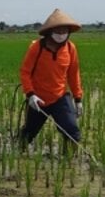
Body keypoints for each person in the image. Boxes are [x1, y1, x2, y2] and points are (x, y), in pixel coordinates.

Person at [18, 9, 84, 153]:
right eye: (57, 31)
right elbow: (25, 72)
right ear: (49, 32)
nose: (61, 35)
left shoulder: (70, 48)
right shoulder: (37, 48)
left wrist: (78, 98)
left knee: (71, 131)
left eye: (64, 31)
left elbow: (74, 74)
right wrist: (30, 94)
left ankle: (69, 162)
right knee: (29, 133)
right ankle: (16, 155)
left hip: (59, 97)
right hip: (38, 99)